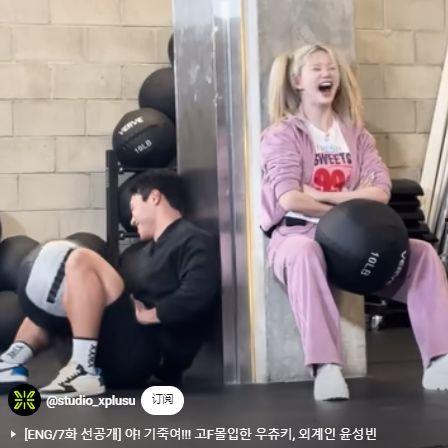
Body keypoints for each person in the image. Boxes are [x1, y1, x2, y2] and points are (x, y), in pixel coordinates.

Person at [261, 43, 448, 401]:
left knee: (423, 254)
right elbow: (290, 198)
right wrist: (352, 199)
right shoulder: (281, 135)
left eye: (331, 68)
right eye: (317, 68)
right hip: (300, 235)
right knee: (302, 252)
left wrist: (326, 196)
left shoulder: (357, 136)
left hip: (358, 240)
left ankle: (440, 359)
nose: (326, 74)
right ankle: (326, 368)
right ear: (298, 81)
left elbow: (381, 191)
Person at [0, 169, 220, 397]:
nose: (131, 220)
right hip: (114, 348)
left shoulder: (192, 239)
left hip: (141, 355)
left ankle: (83, 370)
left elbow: (200, 292)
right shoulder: (144, 252)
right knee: (56, 290)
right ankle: (12, 361)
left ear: (155, 197)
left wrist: (153, 314)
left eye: (133, 208)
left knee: (81, 258)